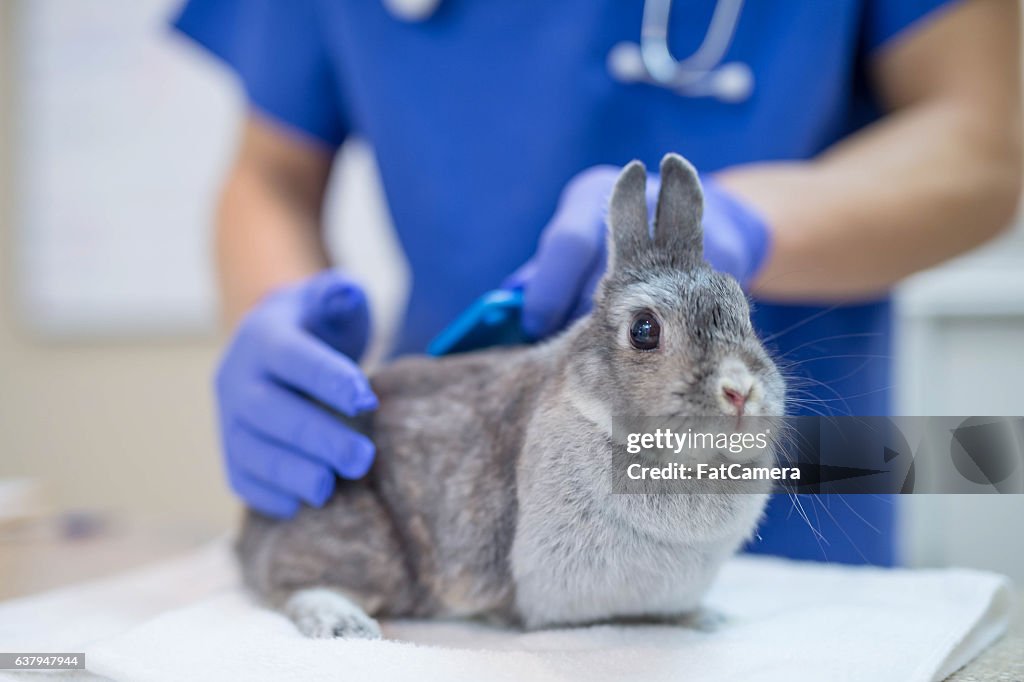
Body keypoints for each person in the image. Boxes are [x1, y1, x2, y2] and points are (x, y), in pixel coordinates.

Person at [175, 0, 1021, 565]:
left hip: (793, 505)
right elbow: (272, 173)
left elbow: (983, 138)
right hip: (468, 492)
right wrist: (283, 323)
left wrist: (744, 226)